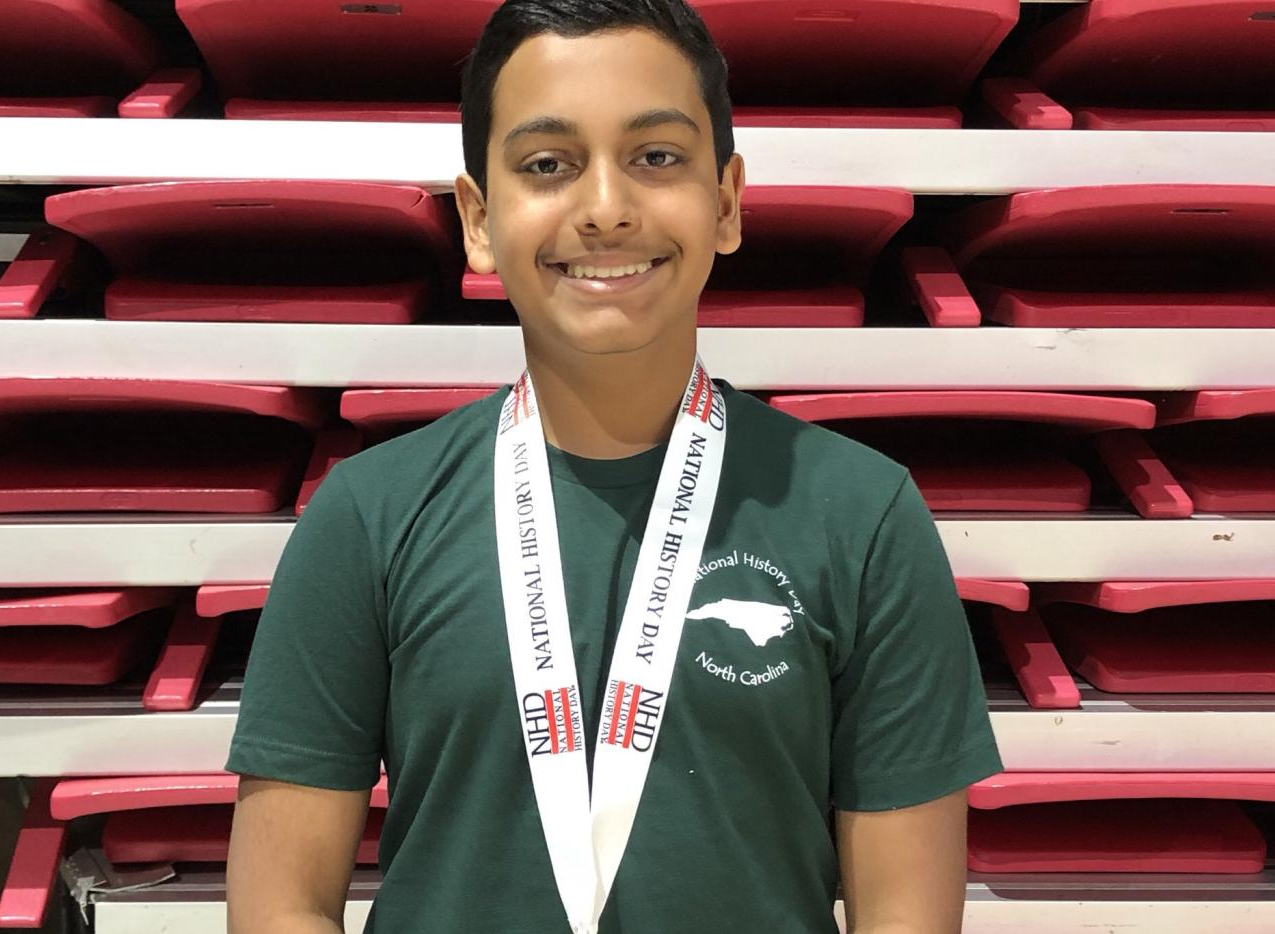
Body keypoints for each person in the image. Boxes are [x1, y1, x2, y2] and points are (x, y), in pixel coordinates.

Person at [224, 1, 1003, 931]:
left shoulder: (862, 514)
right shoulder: (368, 516)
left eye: (657, 158)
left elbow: (905, 918)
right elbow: (281, 907)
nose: (605, 209)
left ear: (726, 202)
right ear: (478, 218)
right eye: (547, 165)